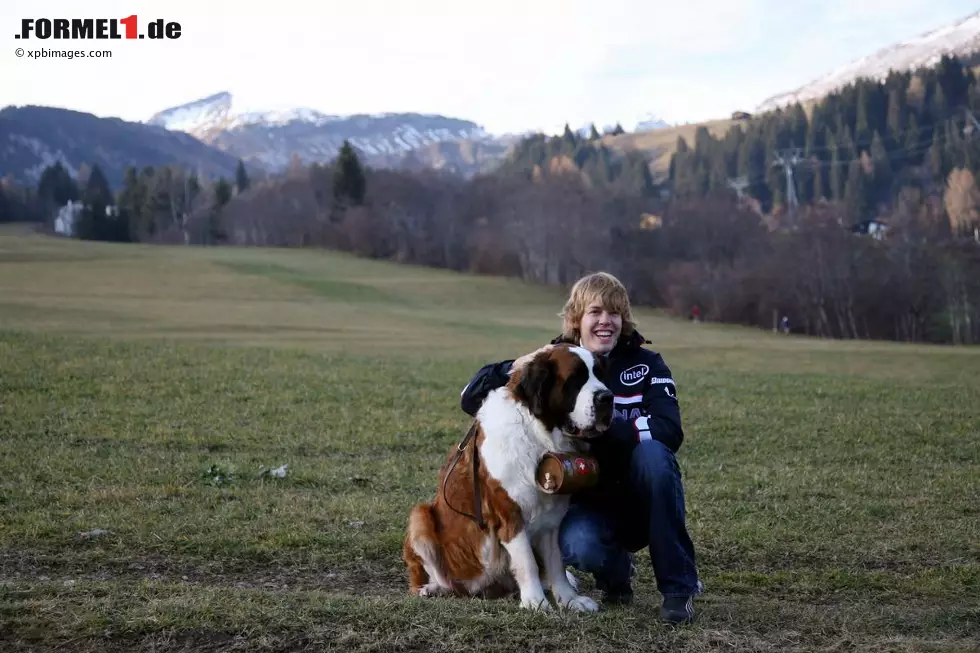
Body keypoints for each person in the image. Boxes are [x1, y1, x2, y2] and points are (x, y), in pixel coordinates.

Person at [459, 271, 701, 625]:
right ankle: (615, 576)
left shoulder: (648, 365)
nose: (606, 321)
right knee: (579, 546)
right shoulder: (555, 361)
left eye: (615, 313)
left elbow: (668, 430)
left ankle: (679, 589)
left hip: (639, 496)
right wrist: (515, 366)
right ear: (576, 318)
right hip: (584, 500)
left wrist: (602, 428)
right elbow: (470, 398)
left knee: (655, 457)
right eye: (596, 312)